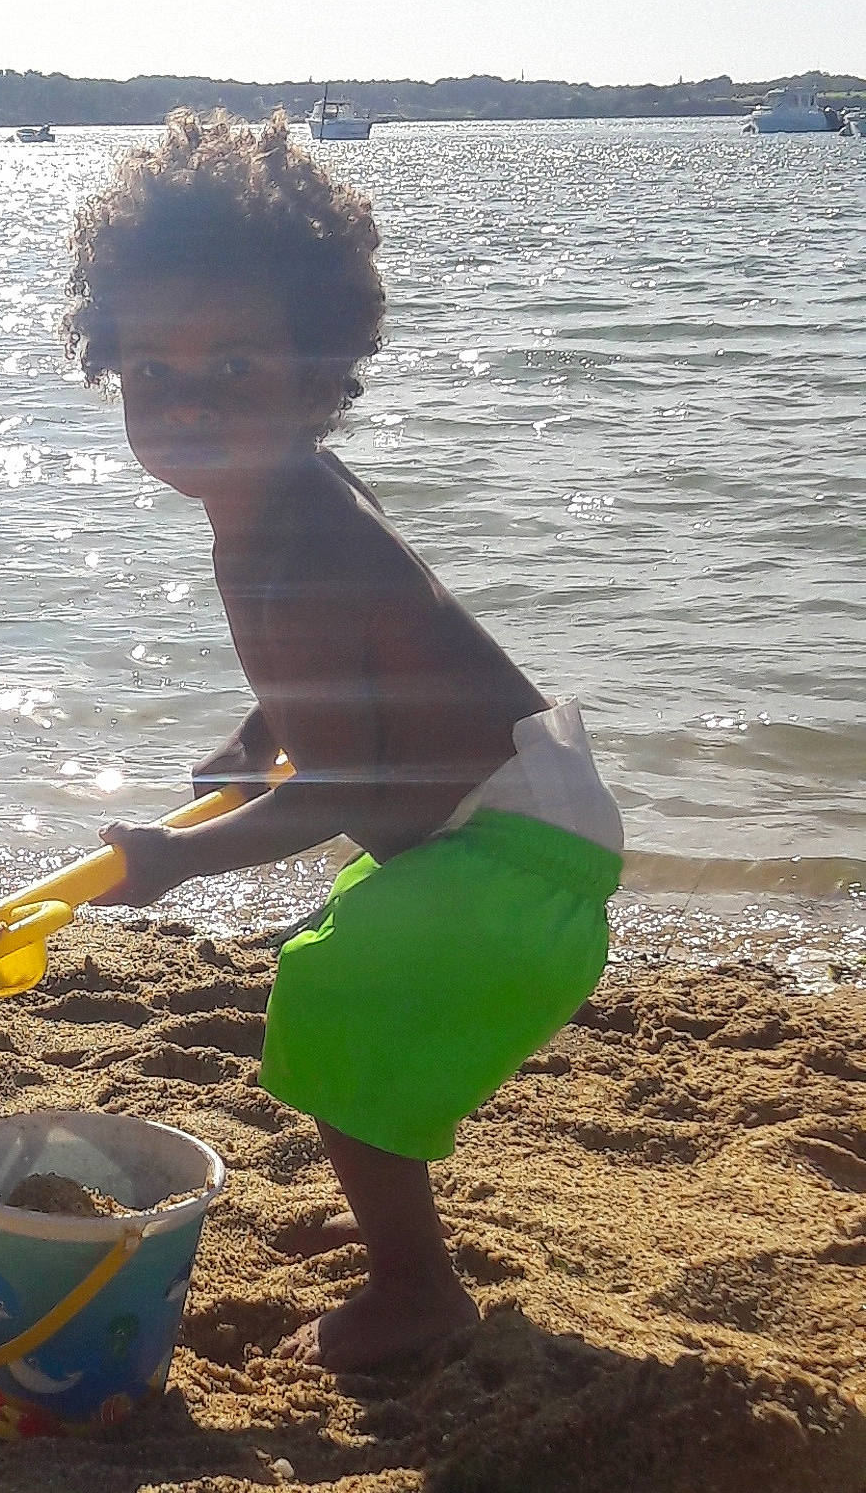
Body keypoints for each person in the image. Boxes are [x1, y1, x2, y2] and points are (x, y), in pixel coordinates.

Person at [62, 112, 624, 1374]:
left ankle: (418, 1288)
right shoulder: (287, 495)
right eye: (151, 371)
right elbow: (338, 685)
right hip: (517, 822)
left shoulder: (295, 542)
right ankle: (398, 1233)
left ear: (320, 367)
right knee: (351, 1008)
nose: (188, 401)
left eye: (234, 365)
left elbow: (343, 782)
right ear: (109, 370)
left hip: (506, 851)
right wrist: (248, 738)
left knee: (329, 999)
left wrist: (176, 856)